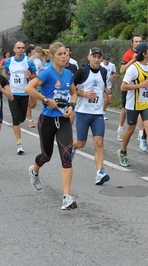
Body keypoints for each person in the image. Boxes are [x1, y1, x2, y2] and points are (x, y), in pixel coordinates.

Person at [24, 41, 78, 210]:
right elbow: (29, 88)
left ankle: (66, 197)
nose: (64, 56)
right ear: (53, 57)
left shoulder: (68, 73)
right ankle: (34, 170)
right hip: (47, 120)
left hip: (63, 120)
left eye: (66, 54)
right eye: (61, 54)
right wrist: (46, 100)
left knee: (67, 157)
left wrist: (71, 106)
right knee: (46, 156)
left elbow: (74, 93)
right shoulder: (47, 73)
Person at [116, 43, 148, 171]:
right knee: (130, 129)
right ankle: (123, 152)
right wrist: (140, 86)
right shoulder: (133, 68)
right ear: (144, 53)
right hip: (133, 104)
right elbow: (123, 86)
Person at [72, 47, 111, 185]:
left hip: (97, 113)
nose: (97, 59)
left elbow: (103, 86)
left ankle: (100, 173)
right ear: (88, 57)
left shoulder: (104, 71)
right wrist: (84, 94)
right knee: (81, 143)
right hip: (82, 112)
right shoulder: (82, 71)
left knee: (99, 142)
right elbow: (71, 88)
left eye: (99, 57)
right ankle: (72, 147)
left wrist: (107, 92)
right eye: (94, 56)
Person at [3, 41, 37, 154]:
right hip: (12, 93)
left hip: (24, 93)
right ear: (14, 49)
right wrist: (5, 85)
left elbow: (34, 75)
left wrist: (29, 75)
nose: (21, 49)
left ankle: (21, 121)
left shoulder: (28, 61)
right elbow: (6, 73)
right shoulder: (9, 61)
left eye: (22, 48)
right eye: (18, 48)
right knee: (15, 117)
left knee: (22, 118)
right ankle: (19, 143)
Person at [117, 34, 143, 142]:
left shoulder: (145, 53)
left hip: (142, 86)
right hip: (129, 85)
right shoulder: (128, 54)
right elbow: (122, 70)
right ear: (131, 43)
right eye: (136, 42)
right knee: (125, 108)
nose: (138, 43)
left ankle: (141, 133)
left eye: (140, 41)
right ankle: (121, 128)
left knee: (142, 108)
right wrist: (132, 60)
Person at [25, 45, 43, 128]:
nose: (35, 53)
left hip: (35, 84)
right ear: (29, 53)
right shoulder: (26, 60)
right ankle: (30, 121)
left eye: (35, 51)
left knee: (33, 104)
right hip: (26, 84)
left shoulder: (38, 61)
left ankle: (25, 110)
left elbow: (41, 70)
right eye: (33, 52)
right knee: (28, 103)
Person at [100, 54, 117, 120]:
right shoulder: (100, 65)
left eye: (108, 60)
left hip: (109, 85)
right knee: (105, 100)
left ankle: (102, 108)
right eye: (105, 60)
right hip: (102, 86)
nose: (107, 61)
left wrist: (112, 76)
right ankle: (103, 113)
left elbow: (115, 73)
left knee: (109, 101)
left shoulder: (112, 65)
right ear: (103, 60)